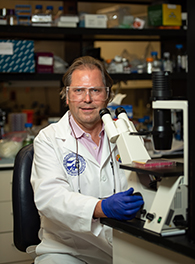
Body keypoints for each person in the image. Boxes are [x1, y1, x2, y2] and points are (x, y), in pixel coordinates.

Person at [30, 56, 144, 264]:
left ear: (107, 96)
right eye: (78, 90)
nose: (87, 99)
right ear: (67, 96)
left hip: (125, 247)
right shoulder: (49, 138)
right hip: (68, 251)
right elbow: (50, 198)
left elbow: (146, 180)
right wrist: (101, 207)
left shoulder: (126, 133)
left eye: (95, 90)